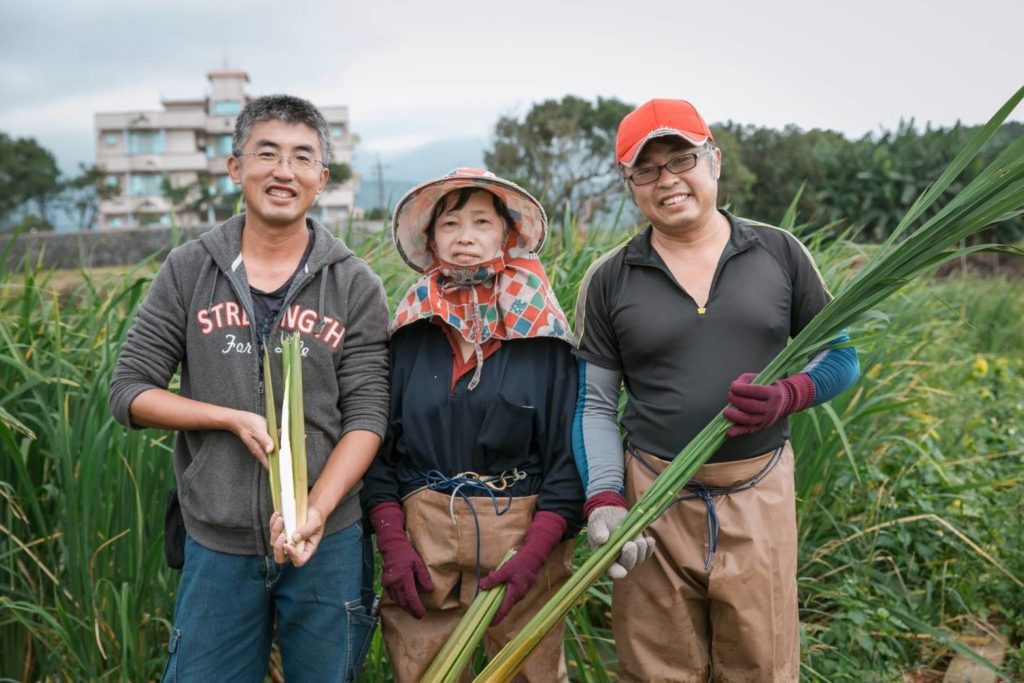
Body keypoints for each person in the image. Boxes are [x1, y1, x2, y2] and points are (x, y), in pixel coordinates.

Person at [573, 98, 860, 681]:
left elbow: (844, 355)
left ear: (714, 161)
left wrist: (792, 394)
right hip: (653, 500)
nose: (668, 180)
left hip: (758, 494)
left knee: (761, 662)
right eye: (646, 169)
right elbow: (595, 405)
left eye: (681, 159)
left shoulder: (779, 253)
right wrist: (605, 498)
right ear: (630, 184)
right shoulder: (608, 279)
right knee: (655, 668)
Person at [108, 94, 389, 682]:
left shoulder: (353, 284)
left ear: (321, 179)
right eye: (267, 153)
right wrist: (228, 418)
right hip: (217, 542)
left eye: (301, 157)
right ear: (236, 167)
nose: (283, 171)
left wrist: (314, 510)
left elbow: (368, 416)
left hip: (327, 542)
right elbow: (130, 392)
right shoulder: (189, 269)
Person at [360, 168, 584, 682]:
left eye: (482, 222)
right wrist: (392, 542)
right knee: (424, 672)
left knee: (531, 672)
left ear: (507, 234)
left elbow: (568, 459)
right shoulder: (409, 332)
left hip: (524, 535)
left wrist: (534, 555)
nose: (465, 236)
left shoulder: (543, 337)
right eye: (450, 223)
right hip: (425, 539)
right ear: (431, 238)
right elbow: (379, 445)